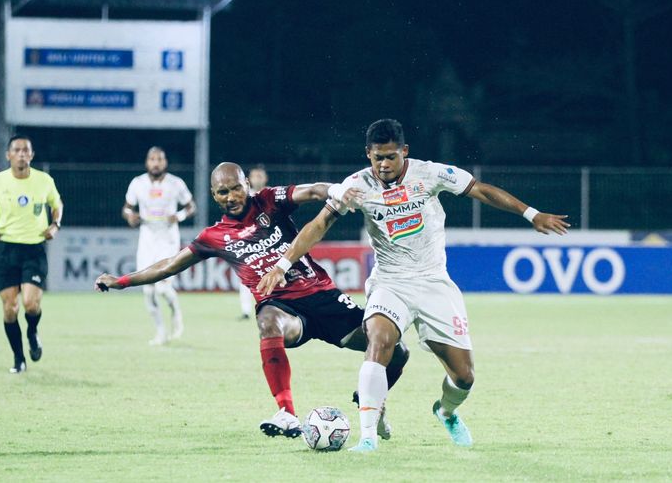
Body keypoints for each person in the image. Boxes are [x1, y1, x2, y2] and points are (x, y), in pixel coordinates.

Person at [258, 119, 570, 451]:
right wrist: (283, 264)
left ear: (404, 151)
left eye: (390, 157)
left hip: (433, 283)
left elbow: (479, 189)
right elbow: (319, 224)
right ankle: (367, 438)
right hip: (390, 282)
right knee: (379, 340)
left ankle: (446, 411)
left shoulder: (430, 174)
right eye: (377, 157)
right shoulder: (357, 185)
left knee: (464, 376)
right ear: (368, 154)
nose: (383, 164)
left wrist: (530, 213)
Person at [96, 162, 409, 439]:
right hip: (282, 309)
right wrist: (123, 281)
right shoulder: (213, 237)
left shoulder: (270, 201)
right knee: (267, 322)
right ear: (213, 194)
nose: (230, 197)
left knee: (397, 352)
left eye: (235, 188)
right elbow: (169, 264)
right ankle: (286, 413)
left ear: (247, 184)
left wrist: (339, 191)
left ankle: (374, 401)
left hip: (322, 296)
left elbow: (313, 191)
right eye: (222, 192)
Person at [0, 135, 63, 374]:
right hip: (6, 249)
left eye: (26, 150)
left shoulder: (44, 180)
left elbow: (57, 204)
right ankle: (19, 359)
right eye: (17, 150)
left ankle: (32, 332)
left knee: (31, 304)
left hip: (34, 248)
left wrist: (55, 225)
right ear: (8, 155)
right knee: (10, 308)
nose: (21, 154)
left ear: (32, 155)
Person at [123, 146, 196, 345]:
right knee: (147, 290)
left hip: (168, 239)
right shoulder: (138, 183)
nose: (156, 163)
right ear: (147, 162)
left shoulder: (175, 183)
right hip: (147, 240)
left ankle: (176, 312)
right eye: (152, 159)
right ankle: (161, 332)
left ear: (165, 162)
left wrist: (179, 216)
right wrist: (131, 217)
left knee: (163, 289)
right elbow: (127, 209)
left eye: (159, 159)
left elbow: (191, 206)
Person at [238, 165, 269, 320]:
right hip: (249, 243)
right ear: (249, 179)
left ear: (265, 178)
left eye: (260, 175)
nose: (258, 178)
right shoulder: (243, 197)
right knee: (246, 277)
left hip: (270, 243)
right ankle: (245, 311)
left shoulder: (271, 194)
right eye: (255, 175)